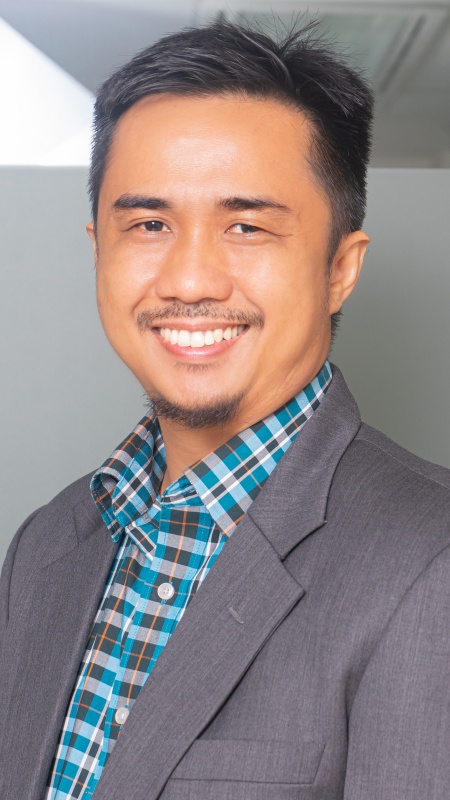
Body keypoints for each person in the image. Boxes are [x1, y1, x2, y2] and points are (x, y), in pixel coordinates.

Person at [1, 17, 449, 800]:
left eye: (246, 226)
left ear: (340, 269)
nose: (189, 280)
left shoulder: (431, 560)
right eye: (149, 225)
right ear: (98, 250)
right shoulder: (45, 544)